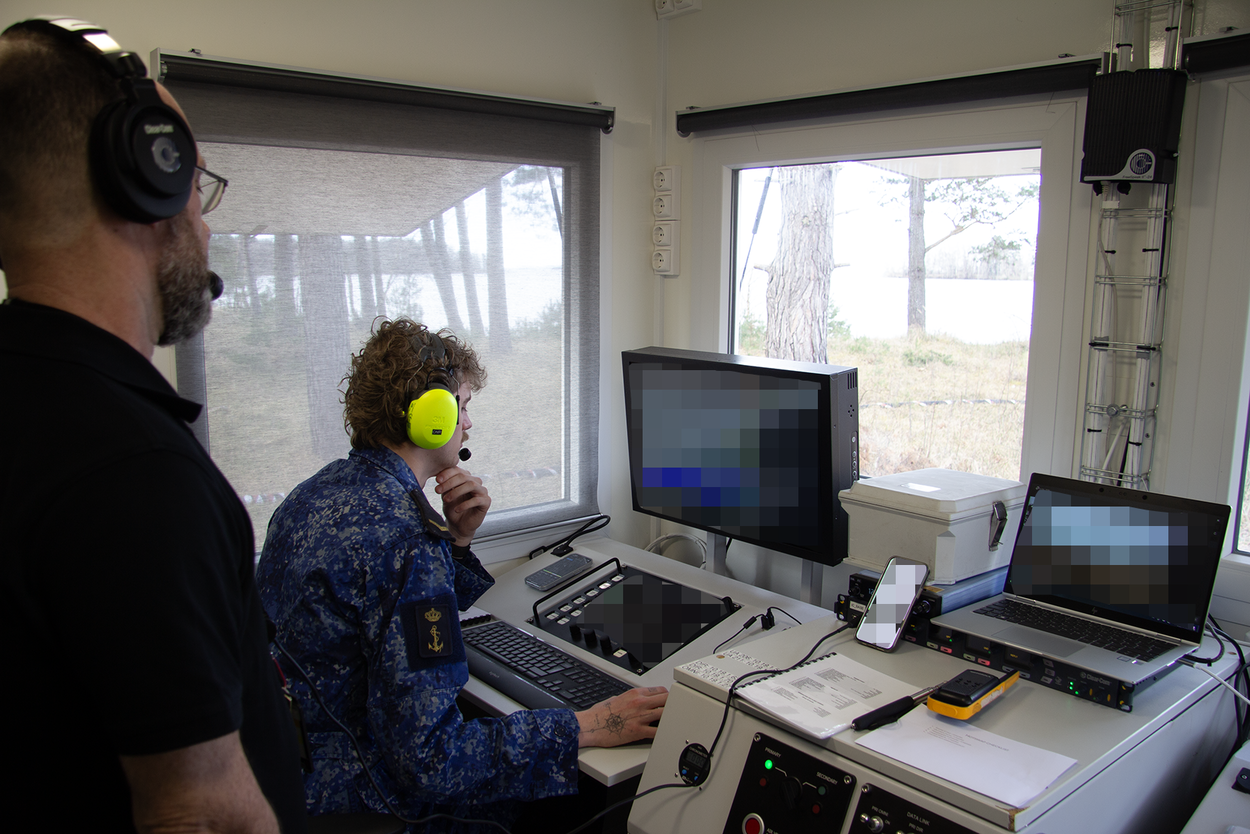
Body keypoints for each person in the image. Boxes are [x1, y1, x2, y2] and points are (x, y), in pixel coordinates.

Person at [0, 17, 307, 833]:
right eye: (196, 185)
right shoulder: (131, 474)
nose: (205, 225)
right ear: (147, 175)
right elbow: (199, 814)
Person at [257, 318, 667, 831]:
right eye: (464, 405)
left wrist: (458, 542)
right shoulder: (406, 540)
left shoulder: (310, 497)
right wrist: (589, 724)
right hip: (375, 803)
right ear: (431, 415)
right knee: (582, 804)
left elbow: (384, 617)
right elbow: (433, 762)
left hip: (295, 782)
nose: (469, 424)